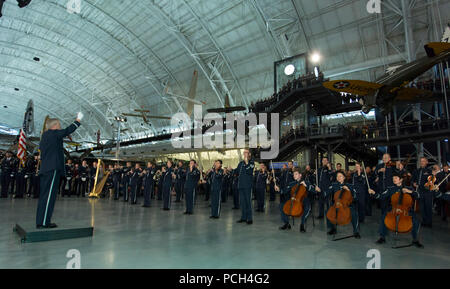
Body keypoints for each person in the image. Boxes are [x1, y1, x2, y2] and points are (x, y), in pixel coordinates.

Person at [36, 113, 82, 229]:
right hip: (52, 169)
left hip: (45, 169)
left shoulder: (45, 136)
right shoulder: (53, 134)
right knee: (50, 196)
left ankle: (40, 221)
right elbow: (68, 130)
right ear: (55, 126)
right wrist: (77, 120)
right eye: (59, 124)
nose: (60, 126)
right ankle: (45, 222)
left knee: (44, 196)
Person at [370, 173, 423, 248]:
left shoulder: (409, 188)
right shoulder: (390, 189)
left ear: (401, 179)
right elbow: (381, 197)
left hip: (406, 210)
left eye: (396, 178)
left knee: (416, 221)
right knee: (383, 218)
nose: (394, 179)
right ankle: (382, 237)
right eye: (393, 178)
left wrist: (410, 192)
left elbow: (418, 195)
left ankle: (415, 240)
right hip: (393, 208)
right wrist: (374, 193)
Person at [326, 171, 361, 238]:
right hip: (337, 204)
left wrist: (348, 190)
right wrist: (320, 191)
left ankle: (356, 231)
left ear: (344, 177)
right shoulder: (334, 185)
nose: (338, 178)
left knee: (354, 213)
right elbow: (327, 192)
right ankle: (333, 228)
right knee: (330, 212)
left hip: (347, 205)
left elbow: (356, 196)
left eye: (340, 176)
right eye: (337, 176)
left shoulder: (350, 185)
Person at [411, 157, 433, 227]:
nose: (422, 162)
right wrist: (413, 183)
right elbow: (412, 180)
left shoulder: (430, 171)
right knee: (422, 208)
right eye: (421, 161)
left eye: (423, 161)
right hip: (419, 192)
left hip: (428, 192)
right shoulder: (416, 171)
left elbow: (431, 182)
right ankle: (424, 221)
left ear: (427, 162)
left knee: (428, 207)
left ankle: (429, 222)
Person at [236, 149, 255, 225]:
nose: (244, 154)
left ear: (249, 154)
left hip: (247, 186)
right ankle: (243, 217)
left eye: (246, 152)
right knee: (242, 203)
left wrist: (247, 162)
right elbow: (237, 171)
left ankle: (249, 218)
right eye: (244, 152)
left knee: (248, 202)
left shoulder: (251, 163)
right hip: (241, 185)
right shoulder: (240, 163)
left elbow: (250, 171)